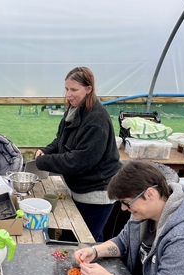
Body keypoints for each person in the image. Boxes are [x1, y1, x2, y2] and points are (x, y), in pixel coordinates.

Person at [74, 160, 184, 275]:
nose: (124, 209)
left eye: (126, 202)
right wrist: (95, 251)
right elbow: (124, 241)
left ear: (149, 194)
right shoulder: (144, 211)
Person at [35, 66, 121, 242]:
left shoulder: (96, 120)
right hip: (79, 188)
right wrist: (47, 150)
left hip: (96, 193)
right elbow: (61, 140)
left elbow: (79, 162)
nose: (68, 94)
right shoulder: (74, 110)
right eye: (66, 89)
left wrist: (44, 162)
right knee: (87, 237)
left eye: (74, 89)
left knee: (87, 240)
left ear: (88, 89)